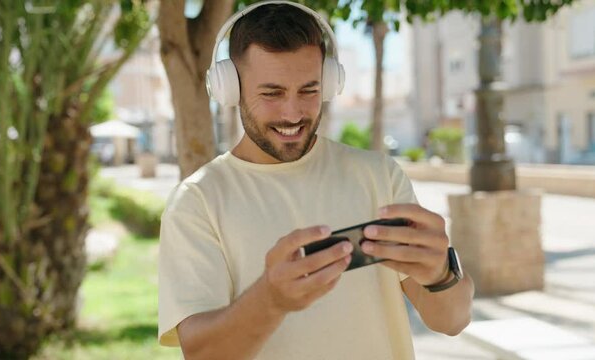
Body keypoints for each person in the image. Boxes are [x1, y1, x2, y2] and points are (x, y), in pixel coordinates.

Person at [158, 2, 474, 359]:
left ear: (328, 83)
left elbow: (453, 320)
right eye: (272, 93)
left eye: (308, 90)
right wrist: (271, 300)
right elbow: (201, 355)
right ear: (230, 89)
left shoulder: (379, 176)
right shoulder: (197, 201)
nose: (292, 113)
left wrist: (440, 275)